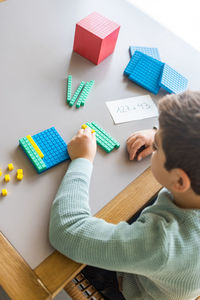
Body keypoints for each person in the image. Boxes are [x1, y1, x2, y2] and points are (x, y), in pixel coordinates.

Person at [49, 91, 200, 300]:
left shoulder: (160, 244)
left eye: (157, 147)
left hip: (130, 285)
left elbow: (67, 231)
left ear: (180, 181)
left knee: (51, 263)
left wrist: (82, 160)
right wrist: (160, 136)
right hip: (174, 267)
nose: (153, 144)